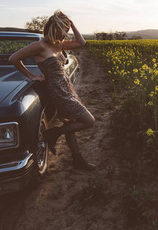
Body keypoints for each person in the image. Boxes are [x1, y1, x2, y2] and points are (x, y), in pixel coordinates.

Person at [9, 10, 96, 171]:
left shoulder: (59, 44)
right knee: (89, 121)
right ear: (54, 27)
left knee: (70, 122)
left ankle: (77, 159)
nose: (66, 34)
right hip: (57, 91)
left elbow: (81, 42)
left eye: (67, 30)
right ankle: (53, 134)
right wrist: (31, 76)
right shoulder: (39, 46)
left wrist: (71, 22)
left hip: (66, 88)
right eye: (63, 30)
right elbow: (14, 58)